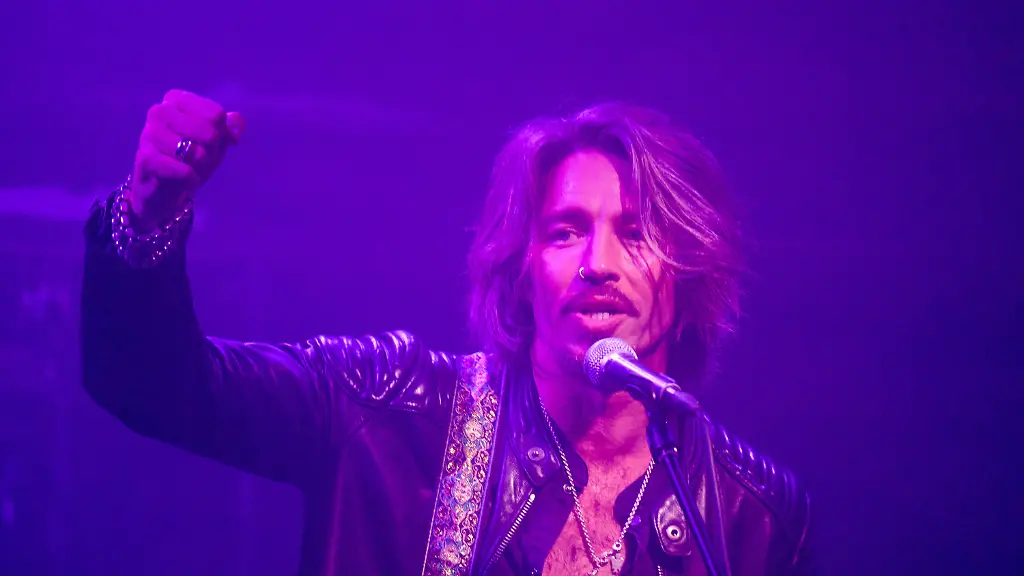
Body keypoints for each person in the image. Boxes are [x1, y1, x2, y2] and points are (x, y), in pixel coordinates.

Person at [79, 89, 815, 576]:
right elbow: (159, 386)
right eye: (565, 232)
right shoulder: (386, 407)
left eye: (635, 233)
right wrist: (148, 218)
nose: (599, 263)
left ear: (689, 268)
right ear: (522, 270)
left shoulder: (751, 515)